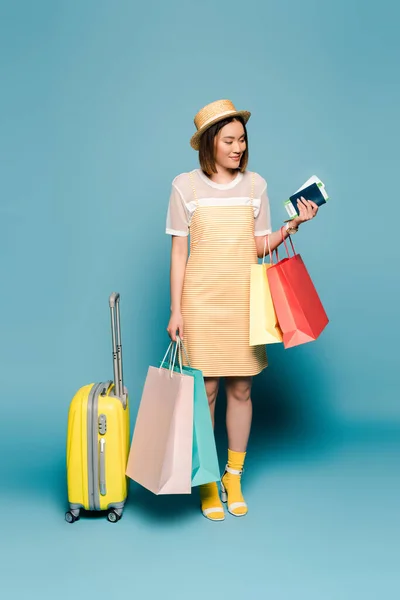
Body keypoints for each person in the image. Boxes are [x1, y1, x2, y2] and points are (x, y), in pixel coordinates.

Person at [165, 99, 319, 521]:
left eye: (242, 140)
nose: (237, 148)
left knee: (242, 389)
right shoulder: (184, 187)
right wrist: (175, 310)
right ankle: (208, 481)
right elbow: (179, 252)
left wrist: (291, 227)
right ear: (210, 143)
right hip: (200, 301)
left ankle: (234, 476)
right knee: (207, 391)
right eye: (229, 140)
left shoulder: (257, 186)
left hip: (244, 299)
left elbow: (257, 245)